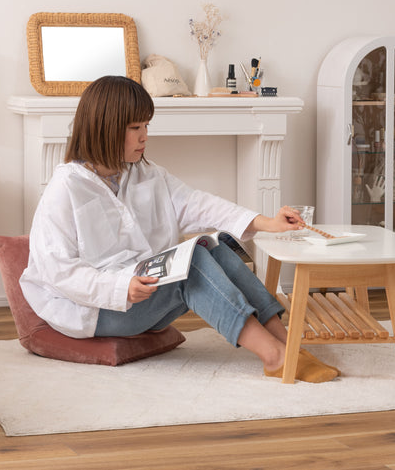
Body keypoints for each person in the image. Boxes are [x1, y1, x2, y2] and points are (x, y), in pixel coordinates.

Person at [20, 75, 338, 382]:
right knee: (193, 263)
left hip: (143, 293)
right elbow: (58, 271)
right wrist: (119, 287)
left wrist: (266, 222)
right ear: (105, 129)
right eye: (135, 128)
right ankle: (275, 358)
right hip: (95, 310)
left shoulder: (144, 172)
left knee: (214, 248)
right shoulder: (66, 188)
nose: (145, 136)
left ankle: (290, 344)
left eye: (146, 125)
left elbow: (198, 204)